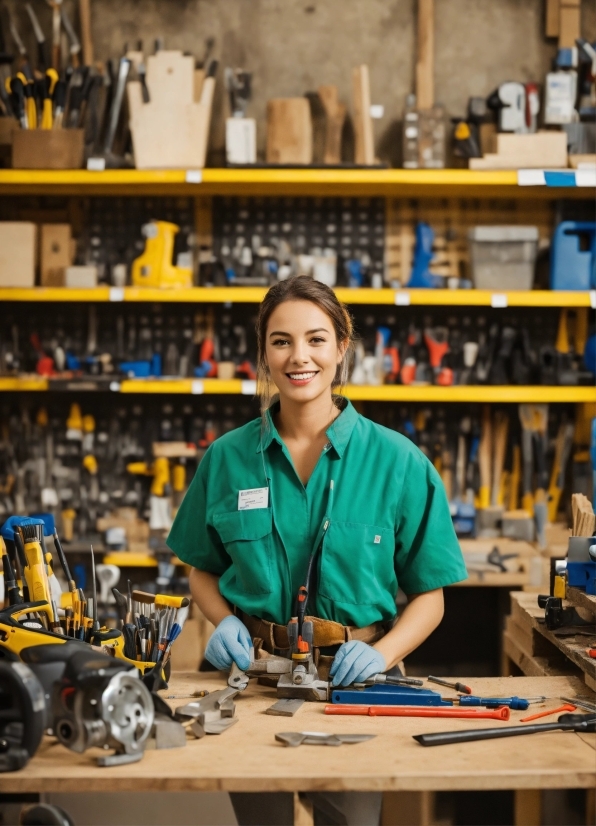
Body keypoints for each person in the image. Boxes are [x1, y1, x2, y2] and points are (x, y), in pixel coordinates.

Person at [168, 276, 467, 826]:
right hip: (253, 682)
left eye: (316, 339)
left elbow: (431, 598)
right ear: (263, 354)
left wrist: (382, 654)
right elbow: (201, 572)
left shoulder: (398, 462)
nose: (298, 357)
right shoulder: (227, 458)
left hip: (357, 685)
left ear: (341, 348)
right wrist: (220, 622)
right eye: (281, 341)